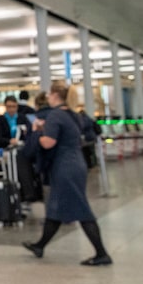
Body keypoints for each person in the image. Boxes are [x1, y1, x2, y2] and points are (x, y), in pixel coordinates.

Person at [22, 82, 111, 266]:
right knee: (55, 207)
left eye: (49, 94)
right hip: (76, 163)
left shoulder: (55, 115)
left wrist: (37, 132)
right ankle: (40, 245)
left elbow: (49, 143)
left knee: (82, 210)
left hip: (64, 167)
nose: (47, 97)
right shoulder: (73, 115)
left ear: (55, 95)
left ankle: (102, 253)